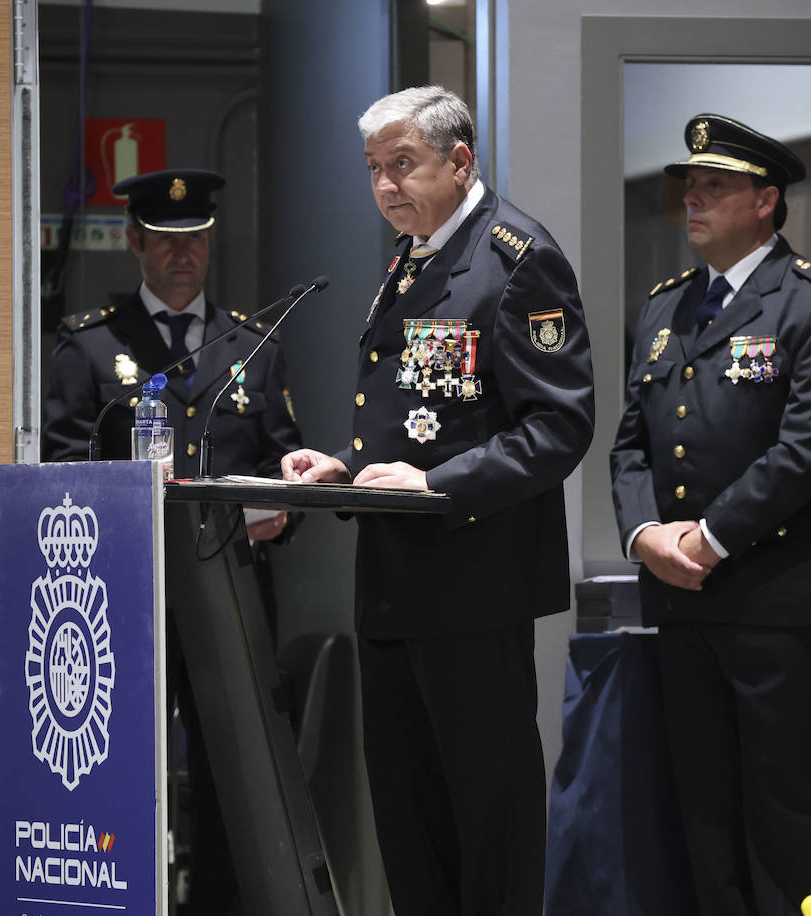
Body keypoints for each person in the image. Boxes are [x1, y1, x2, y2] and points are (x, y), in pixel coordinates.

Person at [280, 86, 595, 916]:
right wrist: (347, 468)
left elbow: (558, 427)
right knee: (411, 827)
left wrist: (438, 486)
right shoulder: (410, 259)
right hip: (394, 588)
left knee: (487, 825)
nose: (385, 186)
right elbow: (422, 424)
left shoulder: (518, 259)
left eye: (403, 165)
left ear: (459, 163)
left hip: (474, 591)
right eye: (375, 170)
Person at [609, 114, 811, 916]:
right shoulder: (663, 310)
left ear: (766, 201)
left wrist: (709, 538)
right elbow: (630, 448)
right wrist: (645, 534)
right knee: (704, 821)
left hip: (776, 606)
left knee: (790, 823)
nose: (691, 200)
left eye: (713, 187)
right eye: (689, 187)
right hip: (682, 605)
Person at [41, 167, 303, 915]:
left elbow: (289, 461)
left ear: (211, 241)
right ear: (134, 241)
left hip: (231, 593)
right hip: (125, 599)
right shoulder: (89, 348)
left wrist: (284, 509)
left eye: (193, 240)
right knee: (127, 763)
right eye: (163, 240)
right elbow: (63, 471)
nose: (180, 255)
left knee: (235, 774)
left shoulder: (252, 347)